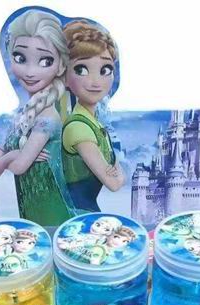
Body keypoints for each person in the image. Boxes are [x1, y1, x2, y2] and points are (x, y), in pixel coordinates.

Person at [0, 9, 75, 225]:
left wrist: (9, 157)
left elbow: (18, 166)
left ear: (61, 66)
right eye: (20, 58)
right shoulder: (24, 114)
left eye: (45, 61)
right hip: (29, 203)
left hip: (48, 206)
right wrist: (14, 156)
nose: (29, 71)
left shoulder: (48, 117)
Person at [62, 20, 125, 212]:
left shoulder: (94, 122)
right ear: (64, 76)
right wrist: (117, 171)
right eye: (81, 70)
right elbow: (114, 183)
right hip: (79, 214)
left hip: (88, 210)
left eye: (105, 70)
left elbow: (118, 177)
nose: (95, 82)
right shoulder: (78, 127)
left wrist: (117, 172)